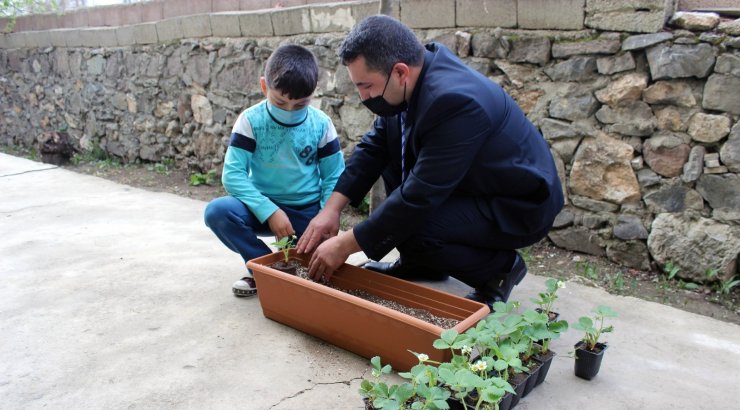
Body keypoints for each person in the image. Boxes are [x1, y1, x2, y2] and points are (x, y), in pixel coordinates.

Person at [296, 15, 563, 310]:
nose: (363, 97)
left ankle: (500, 269)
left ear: (400, 72)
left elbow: (418, 199)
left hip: (517, 203)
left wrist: (346, 244)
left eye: (367, 86)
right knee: (392, 169)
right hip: (472, 183)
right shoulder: (415, 74)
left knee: (413, 224)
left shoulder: (457, 102)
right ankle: (423, 263)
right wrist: (331, 210)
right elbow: (373, 148)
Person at [205, 44, 345, 297]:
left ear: (313, 94)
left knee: (320, 272)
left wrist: (323, 219)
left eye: (300, 104)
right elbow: (233, 175)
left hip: (307, 214)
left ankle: (281, 265)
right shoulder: (251, 120)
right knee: (218, 212)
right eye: (280, 101)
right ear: (263, 86)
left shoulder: (321, 124)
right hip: (260, 210)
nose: (289, 110)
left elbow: (334, 175)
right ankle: (263, 266)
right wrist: (270, 211)